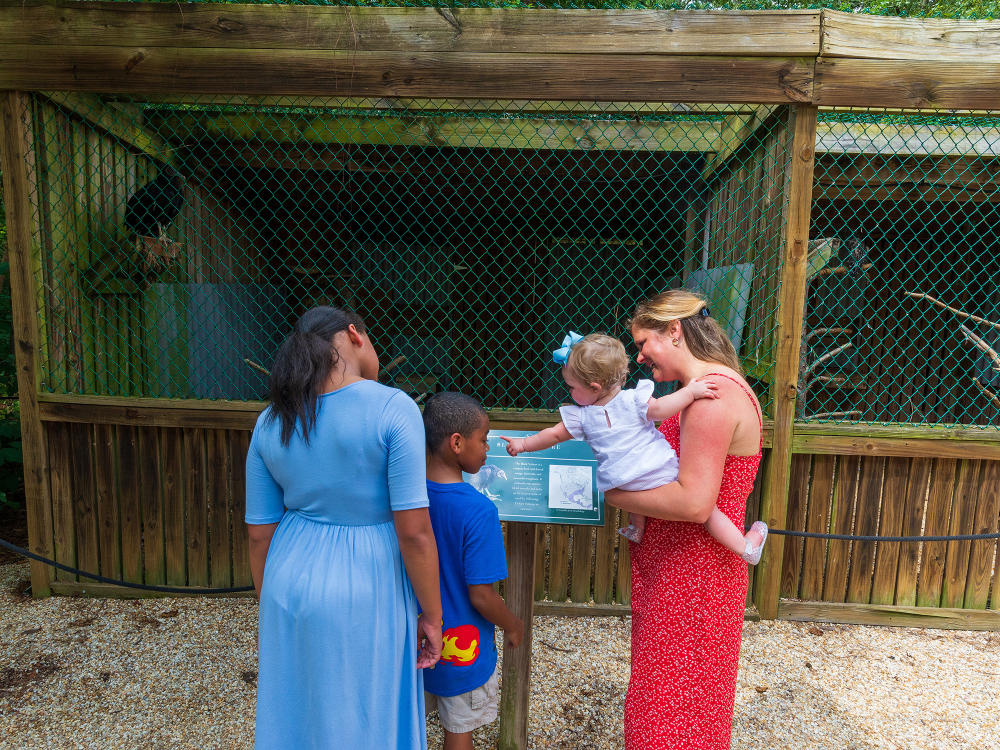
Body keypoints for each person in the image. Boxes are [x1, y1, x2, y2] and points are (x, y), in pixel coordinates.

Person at [245, 306, 442, 750]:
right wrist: (433, 614)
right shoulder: (395, 407)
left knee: (298, 710)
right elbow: (414, 532)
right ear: (355, 335)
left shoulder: (271, 420)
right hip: (368, 580)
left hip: (286, 577)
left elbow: (259, 533)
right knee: (364, 711)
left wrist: (269, 607)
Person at [600, 290, 765, 750]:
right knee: (673, 705)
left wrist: (617, 494)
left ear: (674, 331)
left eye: (643, 342)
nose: (638, 356)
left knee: (672, 714)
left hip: (694, 577)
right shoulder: (706, 390)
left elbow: (695, 503)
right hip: (682, 573)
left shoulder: (712, 399)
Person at [501, 331, 768, 563]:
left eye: (571, 386)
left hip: (620, 479)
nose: (569, 392)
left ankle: (638, 527)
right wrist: (690, 393)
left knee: (639, 491)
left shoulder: (581, 417)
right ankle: (745, 546)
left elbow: (552, 435)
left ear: (594, 386)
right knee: (709, 512)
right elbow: (661, 409)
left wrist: (523, 444)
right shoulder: (634, 400)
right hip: (657, 470)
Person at [421, 392, 525, 750]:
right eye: (483, 440)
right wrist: (512, 624)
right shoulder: (479, 511)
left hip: (413, 641)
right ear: (456, 442)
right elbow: (481, 594)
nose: (486, 449)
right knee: (459, 731)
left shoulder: (407, 500)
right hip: (462, 651)